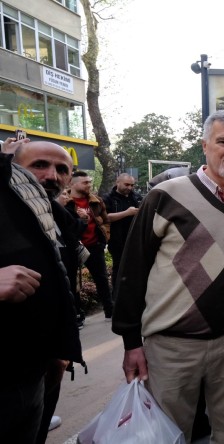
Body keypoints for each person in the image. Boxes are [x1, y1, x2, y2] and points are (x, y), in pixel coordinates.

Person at [111, 110, 224, 443]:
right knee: (169, 436)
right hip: (171, 346)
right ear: (205, 145)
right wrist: (131, 341)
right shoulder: (166, 197)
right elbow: (132, 271)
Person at [0, 140, 82, 443]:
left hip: (36, 372)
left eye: (62, 169)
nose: (51, 175)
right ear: (13, 166)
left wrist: (61, 350)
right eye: (39, 165)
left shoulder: (58, 221)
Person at [65, 171, 113, 321]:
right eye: (85, 182)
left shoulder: (96, 201)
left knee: (102, 279)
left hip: (94, 246)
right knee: (73, 283)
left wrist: (103, 240)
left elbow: (105, 221)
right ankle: (78, 315)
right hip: (73, 248)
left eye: (89, 182)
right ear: (72, 183)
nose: (89, 185)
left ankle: (110, 311)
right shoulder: (63, 202)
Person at [103, 173, 142, 287]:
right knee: (119, 268)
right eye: (126, 184)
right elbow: (106, 217)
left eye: (132, 185)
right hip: (117, 240)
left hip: (134, 239)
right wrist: (127, 213)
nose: (129, 188)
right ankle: (116, 294)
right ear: (117, 182)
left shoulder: (136, 197)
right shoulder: (108, 198)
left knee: (135, 268)